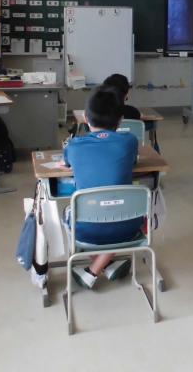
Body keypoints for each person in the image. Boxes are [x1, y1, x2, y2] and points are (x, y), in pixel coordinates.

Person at [64, 87, 142, 289]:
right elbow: (133, 162)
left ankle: (92, 270)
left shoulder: (74, 145)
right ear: (120, 120)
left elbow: (67, 165)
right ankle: (106, 264)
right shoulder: (129, 141)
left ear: (85, 118)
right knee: (124, 211)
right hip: (129, 227)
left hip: (85, 231)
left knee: (72, 210)